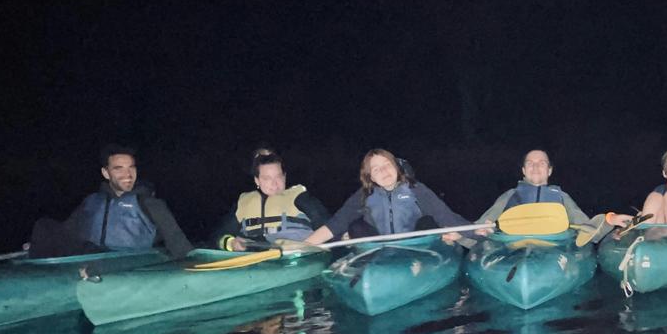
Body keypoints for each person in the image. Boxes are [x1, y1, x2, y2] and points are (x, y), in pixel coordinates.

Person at [26, 144, 194, 259]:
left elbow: (179, 244)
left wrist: (193, 264)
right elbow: (68, 234)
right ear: (106, 173)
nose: (128, 175)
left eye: (131, 168)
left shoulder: (150, 204)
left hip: (129, 263)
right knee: (44, 226)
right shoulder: (91, 203)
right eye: (118, 169)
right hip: (90, 260)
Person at [303, 149, 467, 245]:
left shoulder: (417, 190)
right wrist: (304, 246)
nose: (383, 171)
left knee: (428, 222)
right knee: (355, 227)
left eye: (387, 165)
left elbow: (445, 216)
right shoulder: (363, 195)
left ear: (397, 167)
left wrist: (475, 231)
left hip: (417, 247)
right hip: (378, 250)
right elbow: (335, 225)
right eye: (375, 169)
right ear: (371, 177)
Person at [475, 149, 630, 234]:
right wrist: (470, 235)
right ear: (523, 170)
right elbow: (481, 226)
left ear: (549, 171)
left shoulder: (561, 197)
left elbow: (587, 229)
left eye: (541, 163)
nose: (535, 167)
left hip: (552, 249)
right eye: (530, 164)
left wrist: (609, 220)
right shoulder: (509, 196)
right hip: (513, 249)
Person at [214, 152, 331, 251]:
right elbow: (218, 236)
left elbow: (330, 226)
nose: (274, 184)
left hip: (297, 255)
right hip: (255, 258)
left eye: (278, 177)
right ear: (257, 180)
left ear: (284, 177)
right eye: (267, 178)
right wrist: (231, 243)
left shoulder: (300, 198)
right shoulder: (244, 203)